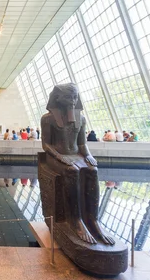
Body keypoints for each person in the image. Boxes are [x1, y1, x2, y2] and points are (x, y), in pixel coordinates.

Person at [40, 83, 115, 245]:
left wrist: (88, 155)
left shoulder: (80, 118)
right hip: (57, 155)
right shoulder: (48, 119)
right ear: (58, 98)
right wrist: (61, 158)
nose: (73, 101)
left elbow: (81, 144)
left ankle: (93, 220)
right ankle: (76, 220)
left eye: (75, 97)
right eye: (68, 97)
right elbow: (46, 145)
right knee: (72, 171)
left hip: (75, 154)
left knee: (92, 170)